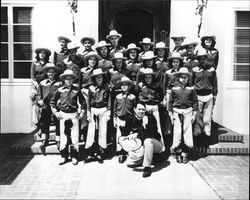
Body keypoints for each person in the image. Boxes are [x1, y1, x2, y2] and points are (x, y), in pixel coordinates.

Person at [50, 69, 86, 165]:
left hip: (74, 115)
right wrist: (56, 112)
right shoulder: (59, 90)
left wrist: (81, 113)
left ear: (73, 80)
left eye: (70, 79)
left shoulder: (76, 90)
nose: (68, 81)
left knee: (74, 136)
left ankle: (74, 156)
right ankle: (64, 156)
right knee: (63, 137)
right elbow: (52, 102)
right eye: (66, 79)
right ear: (64, 80)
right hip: (63, 115)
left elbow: (83, 103)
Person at [120, 101, 163, 178]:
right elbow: (124, 136)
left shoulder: (150, 117)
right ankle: (149, 158)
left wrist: (144, 127)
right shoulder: (130, 120)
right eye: (139, 109)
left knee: (147, 141)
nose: (141, 111)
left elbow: (153, 134)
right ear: (134, 109)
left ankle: (147, 167)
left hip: (155, 144)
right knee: (129, 163)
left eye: (143, 109)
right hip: (140, 146)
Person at [169, 67, 198, 164]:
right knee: (177, 133)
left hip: (187, 112)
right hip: (177, 112)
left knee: (187, 133)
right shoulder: (174, 89)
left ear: (188, 78)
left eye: (185, 77)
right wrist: (171, 114)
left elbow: (195, 102)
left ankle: (185, 154)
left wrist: (194, 113)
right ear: (178, 78)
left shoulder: (191, 89)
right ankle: (178, 154)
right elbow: (170, 102)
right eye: (181, 77)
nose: (183, 79)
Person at [84, 68, 111, 164]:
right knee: (92, 132)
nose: (99, 79)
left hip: (103, 110)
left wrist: (108, 112)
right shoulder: (91, 88)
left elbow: (109, 100)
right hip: (93, 110)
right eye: (97, 77)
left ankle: (101, 153)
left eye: (100, 77)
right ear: (94, 79)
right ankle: (90, 153)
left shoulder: (106, 88)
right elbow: (88, 102)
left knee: (102, 132)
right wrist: (88, 113)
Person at [192, 48, 218, 144]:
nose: (202, 61)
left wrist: (215, 95)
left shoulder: (211, 70)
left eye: (203, 58)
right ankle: (197, 138)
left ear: (206, 59)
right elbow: (191, 84)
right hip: (198, 96)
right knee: (198, 118)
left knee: (207, 119)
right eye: (200, 59)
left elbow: (215, 84)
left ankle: (206, 139)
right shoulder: (195, 70)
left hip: (208, 95)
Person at [137, 68, 165, 152]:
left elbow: (161, 95)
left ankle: (159, 148)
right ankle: (143, 148)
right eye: (146, 77)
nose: (148, 79)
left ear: (152, 77)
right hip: (145, 107)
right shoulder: (141, 85)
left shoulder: (156, 85)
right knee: (144, 127)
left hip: (154, 107)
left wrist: (158, 102)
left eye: (149, 77)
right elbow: (138, 95)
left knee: (157, 127)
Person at [36, 63, 62, 154]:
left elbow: (62, 93)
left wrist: (60, 101)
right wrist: (39, 100)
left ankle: (58, 140)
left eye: (52, 72)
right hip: (45, 105)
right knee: (44, 122)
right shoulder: (42, 83)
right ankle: (44, 140)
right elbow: (38, 94)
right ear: (47, 73)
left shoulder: (59, 83)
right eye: (49, 72)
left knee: (57, 122)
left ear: (55, 73)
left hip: (55, 105)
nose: (51, 74)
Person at [113, 77, 136, 163]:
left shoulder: (132, 97)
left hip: (129, 119)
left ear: (129, 86)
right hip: (120, 118)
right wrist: (114, 119)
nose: (124, 87)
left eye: (126, 85)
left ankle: (129, 153)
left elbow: (134, 108)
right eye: (122, 85)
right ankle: (121, 153)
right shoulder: (118, 97)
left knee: (129, 136)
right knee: (120, 136)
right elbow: (114, 109)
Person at [30, 47, 52, 128]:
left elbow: (50, 75)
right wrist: (36, 84)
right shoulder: (34, 63)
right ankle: (37, 124)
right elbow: (32, 76)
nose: (42, 54)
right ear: (38, 54)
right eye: (40, 53)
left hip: (45, 85)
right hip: (36, 85)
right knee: (36, 103)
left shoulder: (48, 64)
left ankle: (45, 123)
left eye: (44, 53)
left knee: (45, 103)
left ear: (46, 55)